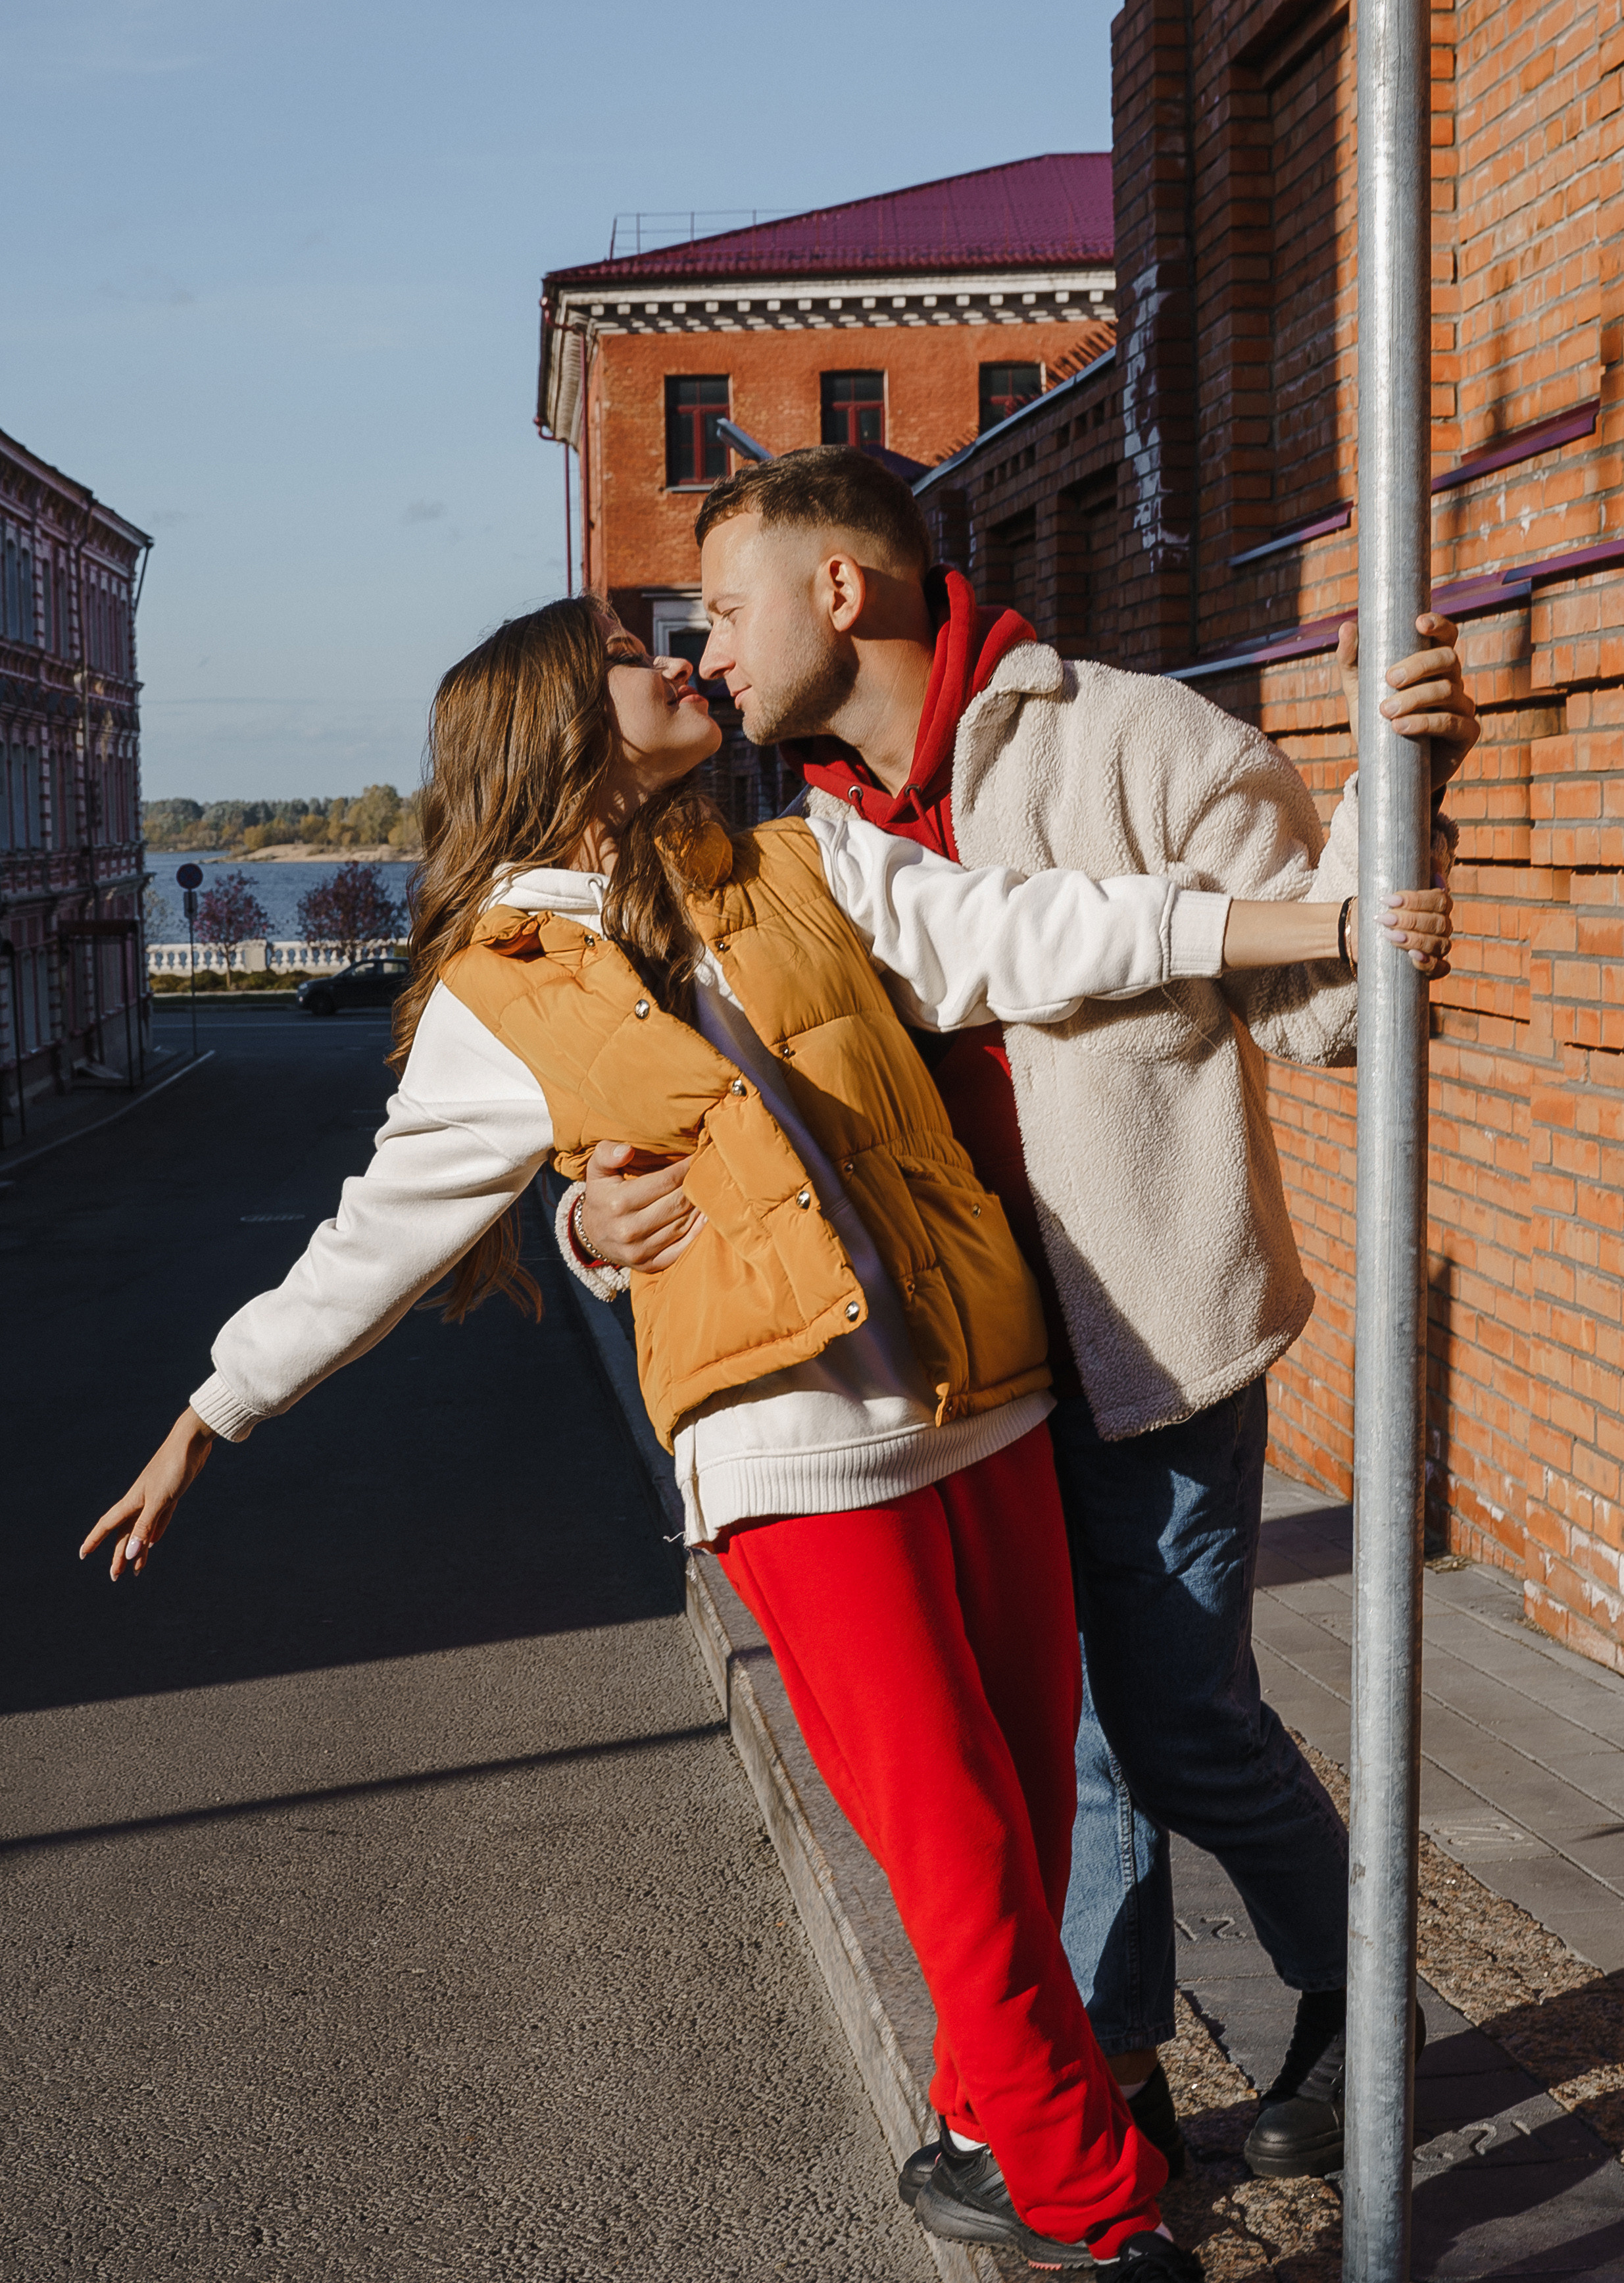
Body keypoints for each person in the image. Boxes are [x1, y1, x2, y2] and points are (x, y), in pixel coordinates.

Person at [83, 599, 1450, 2283]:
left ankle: (995, 2119)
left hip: (981, 1403)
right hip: (791, 1456)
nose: (684, 664)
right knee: (960, 1857)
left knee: (1031, 1811)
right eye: (636, 656)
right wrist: (210, 1414)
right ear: (557, 723)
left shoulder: (804, 860)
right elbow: (381, 1232)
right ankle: (1124, 2236)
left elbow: (1036, 933)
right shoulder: (499, 991)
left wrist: (1328, 920)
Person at [567, 448, 1480, 2184]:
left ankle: (1363, 2002)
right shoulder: (791, 828)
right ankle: (1108, 2078)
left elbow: (1333, 1015)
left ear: (843, 589)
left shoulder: (1140, 744)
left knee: (1179, 1726)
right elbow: (656, 1084)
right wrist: (591, 1221)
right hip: (942, 1382)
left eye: (730, 608)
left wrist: (1395, 780)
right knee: (1053, 1755)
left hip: (1145, 1333)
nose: (711, 654)